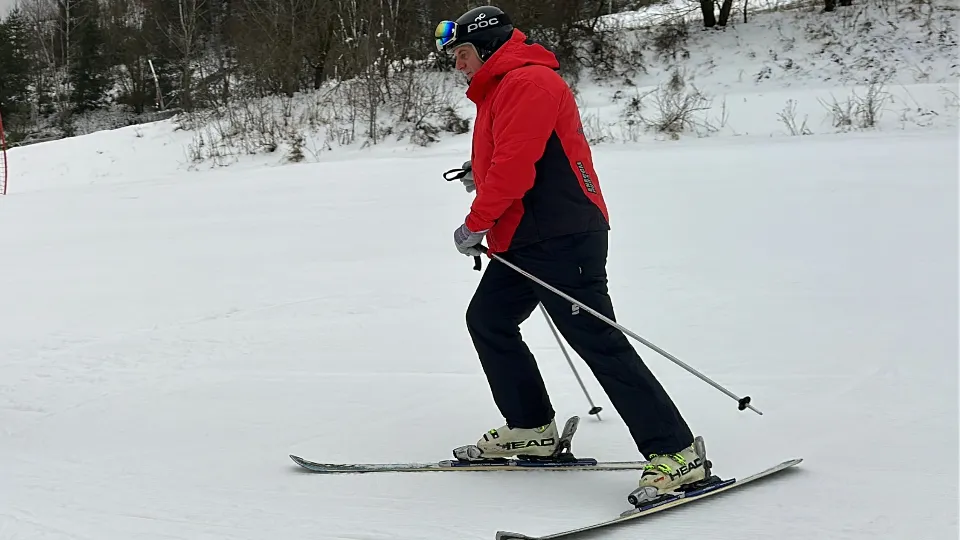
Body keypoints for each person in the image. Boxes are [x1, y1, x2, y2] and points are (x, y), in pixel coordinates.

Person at [434, 5, 710, 502]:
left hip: (561, 235)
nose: (458, 64)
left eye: (463, 52)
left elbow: (515, 168)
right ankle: (530, 428)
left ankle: (677, 451)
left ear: (489, 47)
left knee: (597, 339)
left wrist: (476, 222)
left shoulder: (529, 82)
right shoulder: (501, 88)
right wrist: (481, 174)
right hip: (525, 236)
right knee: (489, 320)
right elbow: (515, 153)